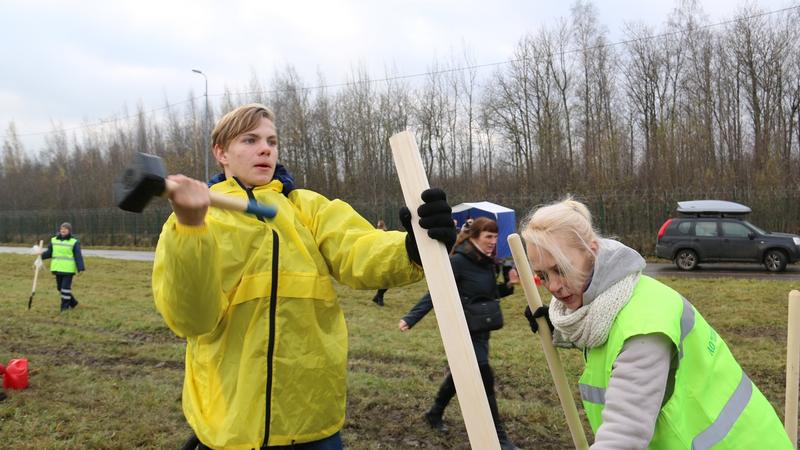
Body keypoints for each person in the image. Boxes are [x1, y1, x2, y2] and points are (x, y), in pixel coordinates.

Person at [152, 103, 456, 450]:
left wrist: (411, 249)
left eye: (271, 140)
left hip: (311, 418)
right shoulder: (197, 220)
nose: (265, 148)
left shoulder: (306, 208)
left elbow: (359, 247)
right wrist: (190, 227)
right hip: (229, 421)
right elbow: (191, 318)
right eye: (250, 140)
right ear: (220, 153)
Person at [521, 197, 792, 449]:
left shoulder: (645, 327)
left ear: (592, 252)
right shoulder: (613, 295)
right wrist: (560, 329)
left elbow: (623, 435)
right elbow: (603, 333)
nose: (554, 286)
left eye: (561, 269)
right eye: (543, 276)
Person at [398, 217, 521, 450]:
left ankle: (434, 413)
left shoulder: (486, 261)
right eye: (488, 237)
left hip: (481, 328)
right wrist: (411, 317)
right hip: (464, 330)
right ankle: (500, 439)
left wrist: (508, 286)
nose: (492, 242)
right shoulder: (458, 262)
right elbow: (436, 292)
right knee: (485, 378)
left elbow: (488, 293)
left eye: (495, 237)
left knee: (460, 375)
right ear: (474, 236)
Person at [40, 222, 85, 312]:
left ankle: (64, 308)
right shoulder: (54, 240)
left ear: (69, 231)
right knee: (60, 288)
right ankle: (73, 302)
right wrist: (40, 256)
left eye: (65, 229)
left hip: (68, 269)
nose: (63, 230)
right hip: (57, 268)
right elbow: (49, 253)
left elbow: (78, 255)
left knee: (65, 288)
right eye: (61, 229)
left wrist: (80, 268)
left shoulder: (74, 242)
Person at [372, 219, 389, 306]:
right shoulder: (376, 234)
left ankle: (377, 297)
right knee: (385, 280)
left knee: (387, 280)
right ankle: (379, 298)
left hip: (385, 258)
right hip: (380, 259)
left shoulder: (385, 234)